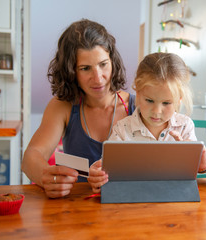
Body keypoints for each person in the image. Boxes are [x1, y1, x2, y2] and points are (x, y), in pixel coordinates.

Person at [21, 19, 136, 198]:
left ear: (113, 61)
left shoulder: (139, 106)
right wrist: (45, 177)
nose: (98, 78)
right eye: (85, 68)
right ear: (71, 72)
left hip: (130, 205)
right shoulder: (63, 106)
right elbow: (31, 157)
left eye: (103, 64)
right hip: (77, 211)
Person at [89, 52, 206, 193]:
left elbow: (197, 168)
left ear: (179, 100)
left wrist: (204, 163)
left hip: (175, 199)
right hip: (132, 198)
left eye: (166, 103)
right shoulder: (122, 129)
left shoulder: (184, 126)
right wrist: (98, 176)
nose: (157, 111)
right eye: (149, 100)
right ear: (138, 93)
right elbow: (105, 169)